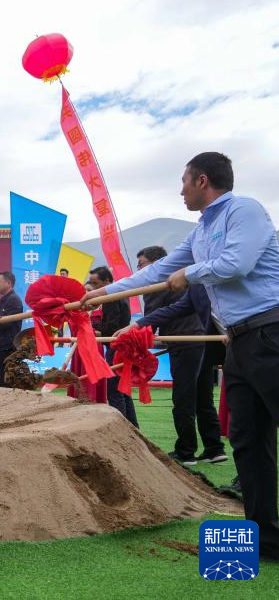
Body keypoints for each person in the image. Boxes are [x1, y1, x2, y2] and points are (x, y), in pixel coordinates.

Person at [81, 152, 279, 562]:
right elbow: (157, 272)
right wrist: (103, 293)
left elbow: (236, 264)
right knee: (248, 439)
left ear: (202, 180)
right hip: (238, 340)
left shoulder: (244, 210)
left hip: (271, 329)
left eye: (184, 182)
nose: (181, 190)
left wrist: (189, 274)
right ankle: (266, 538)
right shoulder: (200, 231)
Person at [117, 246, 225, 465]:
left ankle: (186, 451)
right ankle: (214, 449)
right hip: (201, 340)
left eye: (142, 264)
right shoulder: (184, 280)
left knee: (184, 398)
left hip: (186, 343)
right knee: (203, 397)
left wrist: (136, 331)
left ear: (158, 263)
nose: (139, 269)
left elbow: (155, 318)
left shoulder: (160, 284)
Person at [87, 266, 136, 426]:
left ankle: (120, 428)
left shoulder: (111, 297)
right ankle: (133, 427)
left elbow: (112, 327)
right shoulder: (119, 293)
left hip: (116, 346)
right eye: (91, 283)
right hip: (121, 345)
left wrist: (93, 326)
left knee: (114, 390)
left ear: (107, 281)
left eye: (96, 283)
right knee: (123, 389)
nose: (93, 287)